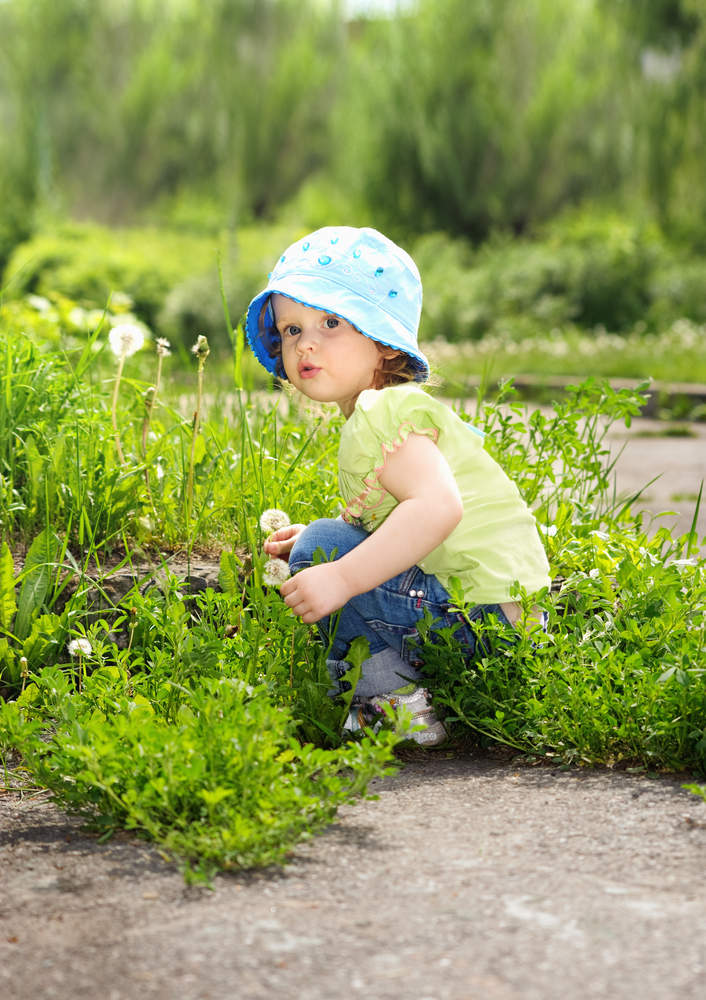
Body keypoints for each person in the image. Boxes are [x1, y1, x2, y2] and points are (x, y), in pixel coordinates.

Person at [245, 226, 551, 746]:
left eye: (331, 321)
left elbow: (438, 507)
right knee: (323, 542)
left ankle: (394, 704)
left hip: (476, 620)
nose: (306, 343)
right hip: (505, 622)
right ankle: (419, 692)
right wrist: (338, 540)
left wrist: (339, 574)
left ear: (384, 347)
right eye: (290, 330)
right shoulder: (387, 410)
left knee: (325, 552)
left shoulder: (381, 409)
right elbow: (397, 517)